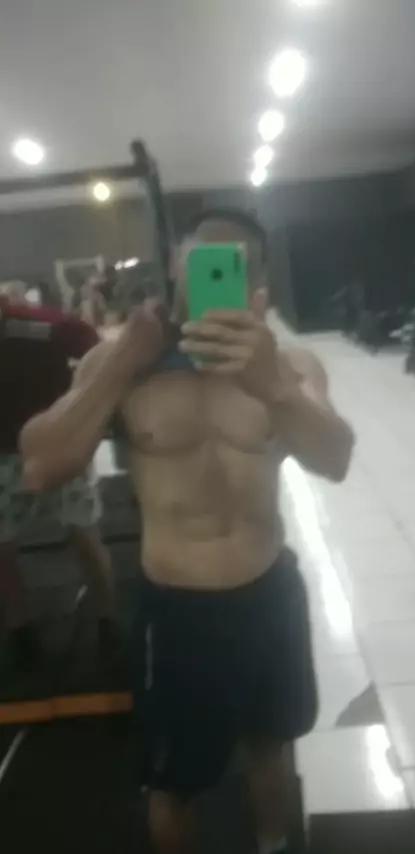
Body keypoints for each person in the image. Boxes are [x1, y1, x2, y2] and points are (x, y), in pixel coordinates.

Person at [20, 208, 354, 854]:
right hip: (176, 614)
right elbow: (40, 466)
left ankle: (274, 845)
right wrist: (121, 364)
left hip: (268, 594)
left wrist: (273, 387)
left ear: (258, 282)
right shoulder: (120, 363)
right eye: (201, 260)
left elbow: (336, 459)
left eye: (234, 264)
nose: (214, 276)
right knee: (173, 782)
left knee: (271, 745)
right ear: (176, 265)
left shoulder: (289, 364)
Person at [0, 288, 116, 675]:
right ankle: (19, 631)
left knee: (84, 536)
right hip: (3, 455)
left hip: (58, 447)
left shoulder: (45, 326)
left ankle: (108, 620)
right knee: (1, 550)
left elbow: (97, 351)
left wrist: (89, 409)